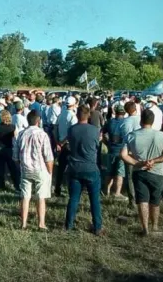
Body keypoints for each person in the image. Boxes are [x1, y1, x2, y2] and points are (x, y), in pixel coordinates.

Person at [120, 109, 163, 236]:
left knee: (142, 200)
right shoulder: (161, 135)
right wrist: (155, 161)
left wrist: (137, 163)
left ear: (141, 121)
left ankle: (145, 228)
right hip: (157, 172)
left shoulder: (131, 135)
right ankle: (155, 226)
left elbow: (123, 155)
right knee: (155, 201)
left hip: (139, 171)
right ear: (153, 121)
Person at [65, 105, 104, 235]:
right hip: (91, 167)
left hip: (75, 167)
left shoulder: (72, 130)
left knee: (74, 198)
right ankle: (97, 226)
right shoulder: (95, 130)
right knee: (94, 199)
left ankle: (69, 225)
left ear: (77, 116)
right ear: (88, 116)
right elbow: (97, 146)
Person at [13, 110, 54, 230]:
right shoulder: (42, 134)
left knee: (25, 196)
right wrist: (50, 172)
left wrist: (20, 165)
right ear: (38, 121)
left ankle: (24, 223)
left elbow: (15, 156)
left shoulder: (21, 134)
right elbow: (48, 156)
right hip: (40, 168)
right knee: (41, 197)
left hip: (25, 168)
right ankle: (41, 223)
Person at [54, 96, 78, 197]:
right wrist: (63, 142)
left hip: (60, 143)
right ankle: (70, 189)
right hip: (68, 145)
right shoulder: (73, 116)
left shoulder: (60, 115)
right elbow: (73, 132)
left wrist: (57, 142)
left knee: (60, 168)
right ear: (73, 105)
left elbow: (55, 128)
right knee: (71, 169)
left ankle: (57, 188)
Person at [119, 101, 141, 206]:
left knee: (130, 177)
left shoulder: (124, 122)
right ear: (135, 108)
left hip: (128, 151)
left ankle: (132, 201)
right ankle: (142, 198)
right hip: (141, 150)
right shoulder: (141, 119)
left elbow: (121, 137)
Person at [103, 104, 127, 200]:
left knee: (109, 172)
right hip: (121, 150)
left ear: (115, 112)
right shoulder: (125, 122)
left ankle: (106, 191)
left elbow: (103, 134)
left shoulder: (110, 122)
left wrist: (107, 143)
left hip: (111, 149)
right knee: (119, 173)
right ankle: (117, 193)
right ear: (124, 113)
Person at [0, 110, 20, 191]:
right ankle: (17, 185)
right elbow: (16, 138)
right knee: (13, 168)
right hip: (9, 149)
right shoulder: (13, 127)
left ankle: (2, 185)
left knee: (1, 168)